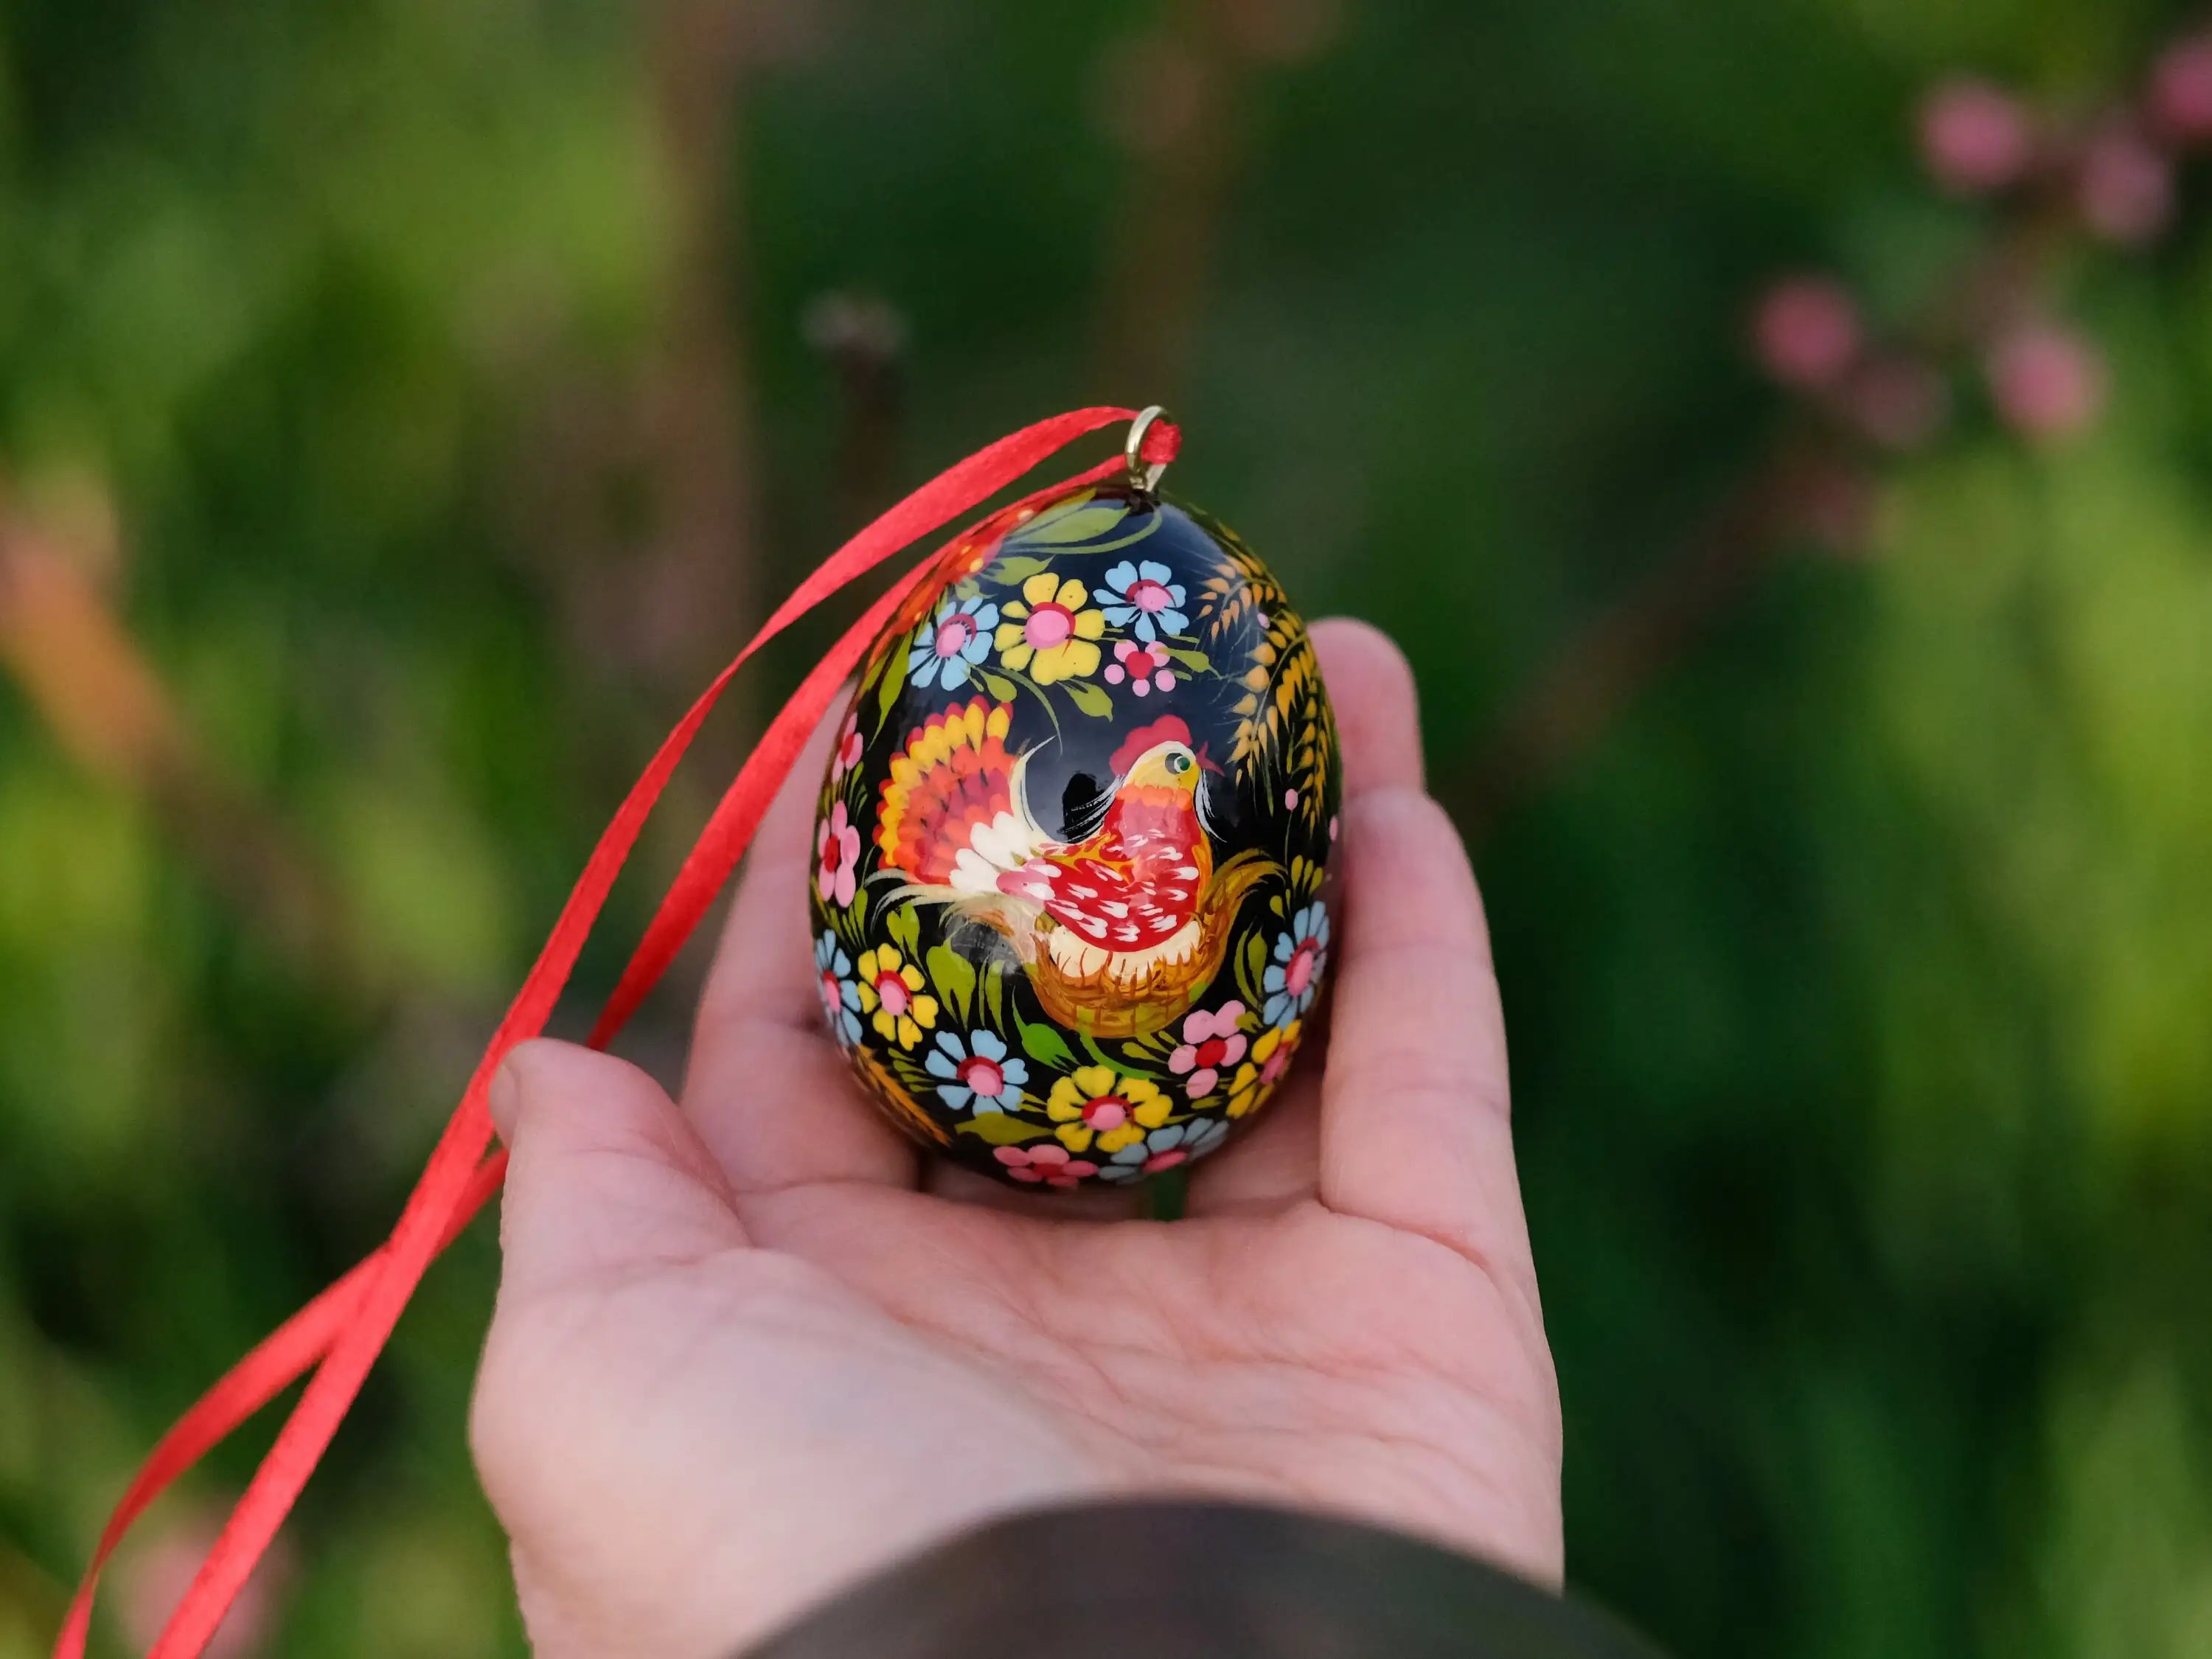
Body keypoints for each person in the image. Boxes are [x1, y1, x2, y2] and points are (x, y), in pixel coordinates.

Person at [468, 621, 1659, 1658]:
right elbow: (1081, 932)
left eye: (1190, 766)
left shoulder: (1174, 845)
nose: (1191, 785)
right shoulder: (1134, 864)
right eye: (1180, 767)